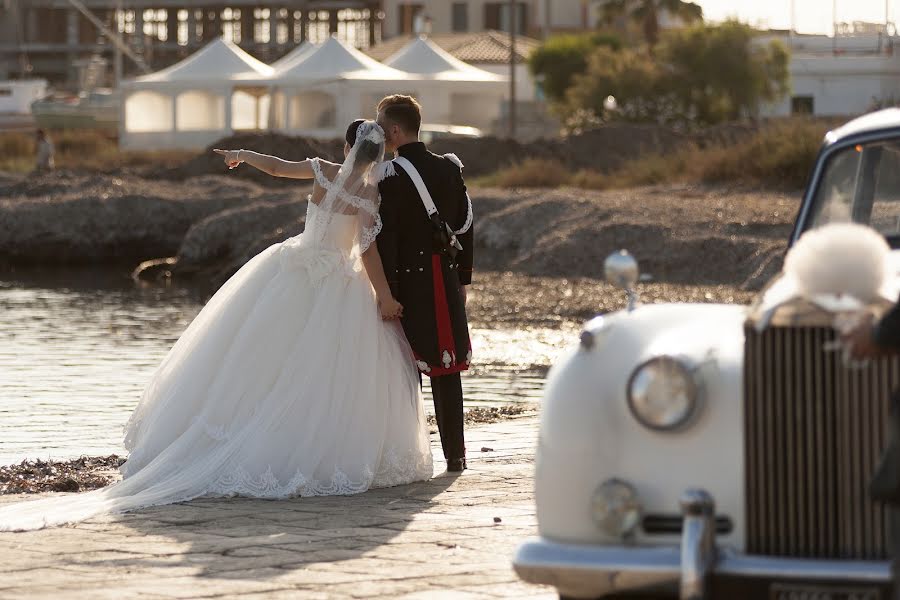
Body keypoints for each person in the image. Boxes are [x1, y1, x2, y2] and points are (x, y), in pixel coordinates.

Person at [0, 119, 433, 532]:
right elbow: (368, 252)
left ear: (346, 147)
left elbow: (279, 167)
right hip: (339, 279)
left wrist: (243, 154)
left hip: (293, 270)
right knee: (324, 369)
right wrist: (385, 298)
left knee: (259, 358)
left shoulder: (322, 172)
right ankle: (305, 442)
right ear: (376, 156)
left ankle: (237, 431)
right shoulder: (369, 196)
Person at [374, 95, 474, 473]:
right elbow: (465, 225)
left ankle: (412, 455)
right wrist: (463, 278)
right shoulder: (449, 168)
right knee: (446, 371)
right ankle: (455, 456)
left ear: (395, 130)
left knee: (405, 368)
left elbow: (389, 237)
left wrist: (387, 291)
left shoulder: (391, 175)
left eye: (381, 124)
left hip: (408, 282)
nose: (380, 131)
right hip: (445, 276)